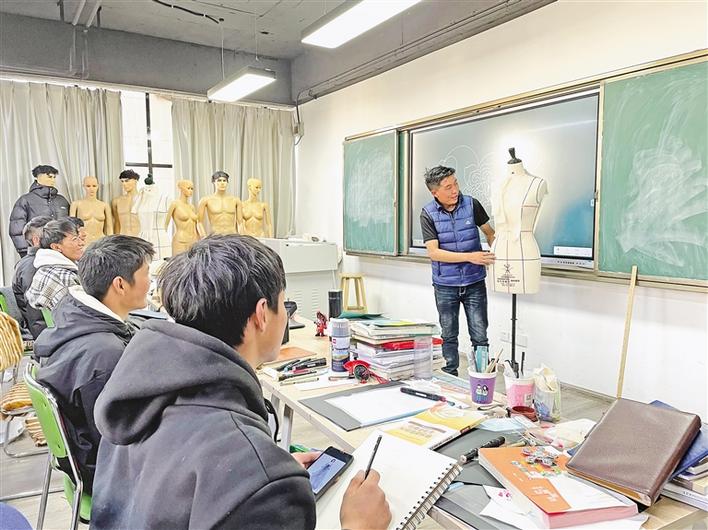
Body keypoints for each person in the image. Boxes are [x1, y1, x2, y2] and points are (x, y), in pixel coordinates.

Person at [92, 235, 391, 530]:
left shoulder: (134, 399)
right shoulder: (260, 480)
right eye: (284, 304)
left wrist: (256, 470)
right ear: (262, 314)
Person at [34, 235, 154, 493]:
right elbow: (119, 442)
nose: (151, 282)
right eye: (146, 274)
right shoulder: (105, 356)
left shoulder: (75, 316)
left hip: (89, 458)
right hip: (107, 475)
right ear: (120, 285)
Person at [420, 166, 496, 376]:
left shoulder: (472, 204)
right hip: (445, 285)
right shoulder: (428, 213)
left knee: (480, 335)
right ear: (434, 192)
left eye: (456, 183)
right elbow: (434, 252)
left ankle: (482, 377)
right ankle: (450, 376)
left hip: (474, 282)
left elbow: (490, 233)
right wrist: (471, 256)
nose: (455, 190)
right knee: (449, 334)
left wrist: (498, 252)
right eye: (448, 187)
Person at [9, 165, 70, 256]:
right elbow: (16, 228)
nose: (53, 180)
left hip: (61, 250)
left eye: (54, 177)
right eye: (49, 177)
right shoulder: (25, 200)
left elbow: (70, 225)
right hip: (37, 251)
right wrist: (25, 251)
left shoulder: (61, 200)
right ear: (38, 177)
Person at [25, 219, 85, 311]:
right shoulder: (65, 277)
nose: (81, 243)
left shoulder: (45, 269)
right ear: (56, 247)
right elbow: (81, 315)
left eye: (79, 238)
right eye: (74, 239)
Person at [12, 216, 52, 339]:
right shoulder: (33, 266)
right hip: (45, 335)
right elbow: (37, 314)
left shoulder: (46, 261)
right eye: (51, 235)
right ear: (36, 240)